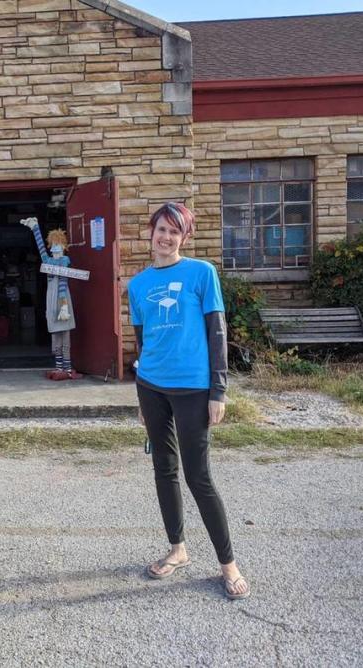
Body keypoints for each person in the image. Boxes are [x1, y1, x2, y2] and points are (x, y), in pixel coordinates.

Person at [127, 203, 250, 600]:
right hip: (152, 386)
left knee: (199, 476)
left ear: (184, 237)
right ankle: (178, 550)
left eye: (174, 232)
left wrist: (219, 390)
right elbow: (142, 344)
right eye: (160, 229)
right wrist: (142, 399)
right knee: (164, 469)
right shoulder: (138, 285)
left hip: (194, 389)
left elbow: (217, 333)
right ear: (151, 232)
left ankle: (228, 565)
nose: (165, 237)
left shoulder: (202, 273)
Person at [20, 217, 82, 380]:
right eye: (53, 245)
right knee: (55, 333)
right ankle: (59, 366)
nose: (55, 248)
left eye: (58, 244)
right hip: (51, 298)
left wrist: (63, 305)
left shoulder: (64, 261)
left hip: (62, 299)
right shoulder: (48, 261)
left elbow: (63, 281)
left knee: (65, 333)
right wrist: (35, 228)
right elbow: (41, 250)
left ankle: (67, 368)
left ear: (63, 246)